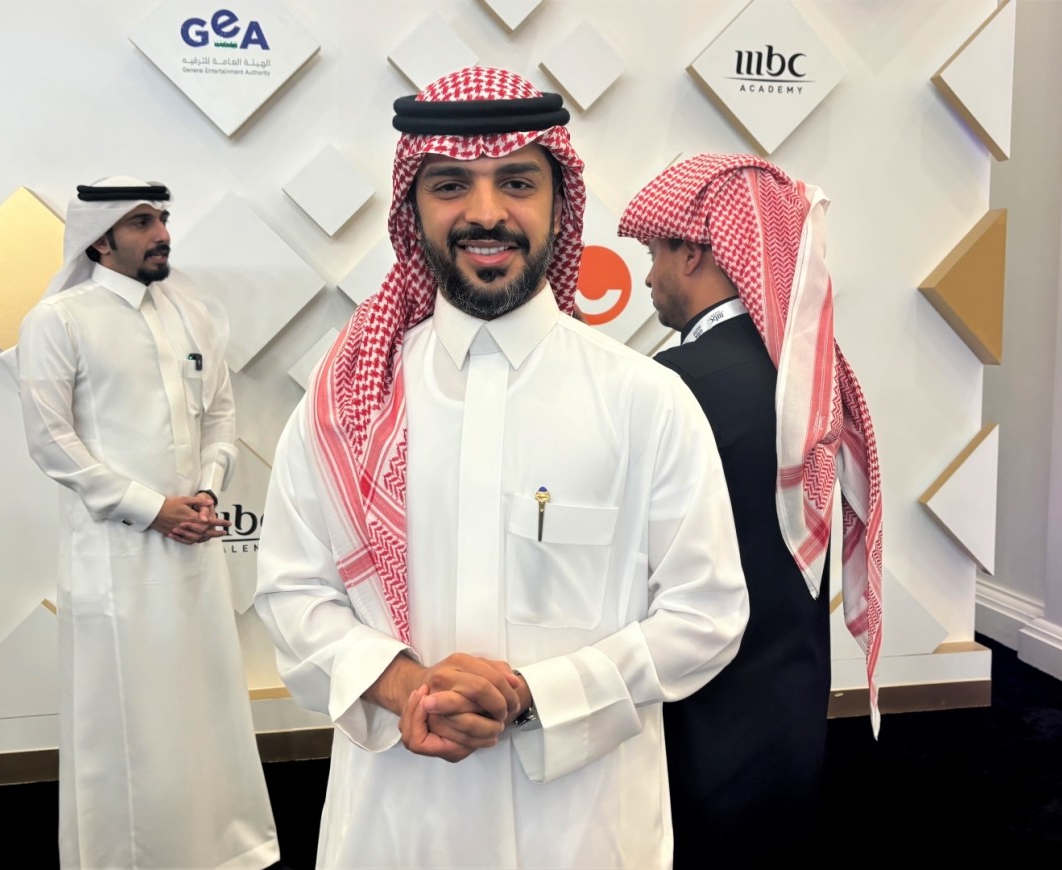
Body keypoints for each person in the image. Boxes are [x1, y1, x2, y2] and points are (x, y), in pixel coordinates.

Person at [254, 69, 749, 869]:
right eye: (450, 185)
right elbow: (292, 593)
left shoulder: (645, 400)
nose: (485, 212)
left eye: (517, 182)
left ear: (559, 202)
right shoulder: (343, 402)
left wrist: (528, 696)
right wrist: (405, 688)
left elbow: (705, 614)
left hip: (583, 831)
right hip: (398, 825)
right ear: (412, 209)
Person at [617, 154, 885, 864]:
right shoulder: (809, 380)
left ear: (694, 252)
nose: (648, 277)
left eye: (654, 254)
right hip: (789, 697)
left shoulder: (671, 384)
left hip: (694, 708)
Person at [14, 177, 278, 869]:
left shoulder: (191, 311)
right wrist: (152, 508)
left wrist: (206, 490)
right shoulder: (59, 319)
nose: (161, 233)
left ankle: (222, 848)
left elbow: (219, 414)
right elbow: (51, 441)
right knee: (129, 716)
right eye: (141, 222)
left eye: (161, 218)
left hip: (193, 544)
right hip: (116, 555)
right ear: (99, 240)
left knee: (203, 702)